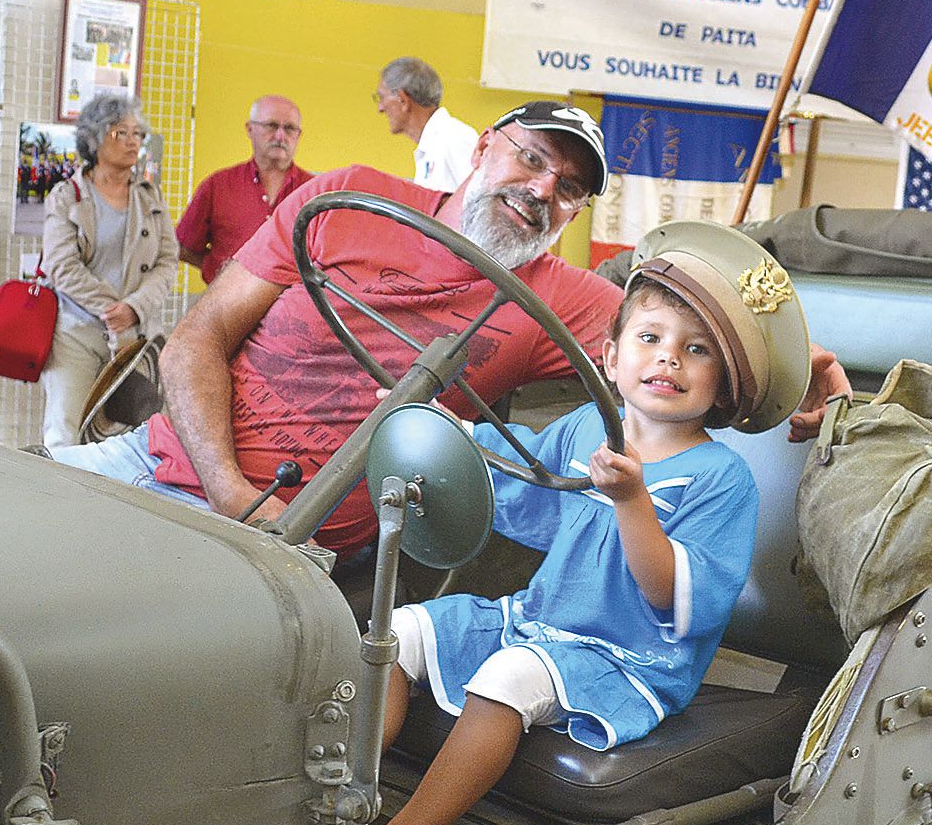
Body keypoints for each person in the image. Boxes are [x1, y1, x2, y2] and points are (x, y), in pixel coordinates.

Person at [50, 100, 846, 552]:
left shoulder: (556, 302)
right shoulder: (347, 197)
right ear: (483, 148)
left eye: (567, 189)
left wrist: (801, 364)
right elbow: (199, 333)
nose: (541, 191)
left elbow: (700, 333)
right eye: (531, 159)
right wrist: (229, 490)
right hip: (159, 464)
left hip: (291, 547)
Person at [366, 220, 809, 825]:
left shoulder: (720, 479)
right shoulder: (581, 427)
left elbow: (668, 595)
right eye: (650, 338)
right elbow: (518, 473)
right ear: (610, 354)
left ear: (720, 387)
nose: (668, 360)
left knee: (511, 674)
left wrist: (632, 499)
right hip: (538, 618)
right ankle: (348, 812)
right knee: (398, 632)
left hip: (627, 657)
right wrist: (445, 429)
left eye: (695, 351)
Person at [39, 92, 179, 449]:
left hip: (134, 339)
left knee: (128, 437)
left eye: (138, 134)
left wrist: (134, 309)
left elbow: (166, 262)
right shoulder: (66, 195)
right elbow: (61, 266)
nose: (133, 142)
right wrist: (112, 308)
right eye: (121, 133)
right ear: (94, 138)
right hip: (76, 335)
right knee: (65, 431)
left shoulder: (151, 198)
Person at [176, 95, 313, 285]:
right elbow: (184, 247)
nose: (281, 136)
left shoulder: (315, 192)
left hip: (294, 308)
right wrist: (218, 268)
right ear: (250, 129)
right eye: (271, 126)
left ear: (299, 135)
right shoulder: (217, 186)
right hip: (225, 307)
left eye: (289, 128)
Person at [375, 57, 479, 191]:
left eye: (382, 98)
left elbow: (481, 202)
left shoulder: (454, 138)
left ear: (403, 100)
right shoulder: (435, 144)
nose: (380, 108)